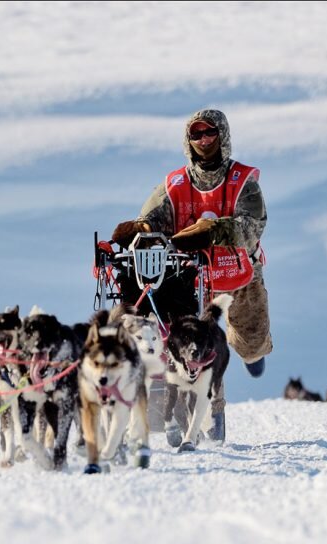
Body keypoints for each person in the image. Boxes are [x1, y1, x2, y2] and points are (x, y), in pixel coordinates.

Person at [109, 109, 273, 442]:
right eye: (196, 135)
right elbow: (150, 221)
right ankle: (211, 413)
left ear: (222, 136)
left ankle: (252, 356)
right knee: (200, 337)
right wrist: (140, 228)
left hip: (238, 273)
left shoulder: (244, 183)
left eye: (209, 133)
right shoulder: (174, 185)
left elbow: (253, 227)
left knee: (251, 340)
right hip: (190, 275)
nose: (203, 140)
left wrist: (212, 231)